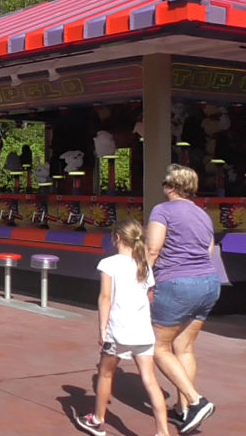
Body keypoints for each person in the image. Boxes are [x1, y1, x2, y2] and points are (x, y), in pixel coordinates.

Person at [75, 219, 169, 436]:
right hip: (143, 331)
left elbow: (105, 297)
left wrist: (102, 328)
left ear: (116, 238)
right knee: (149, 379)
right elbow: (149, 296)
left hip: (119, 330)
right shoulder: (143, 266)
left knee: (105, 373)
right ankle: (162, 431)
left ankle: (98, 420)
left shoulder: (109, 264)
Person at [147, 164, 218, 434]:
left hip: (177, 283)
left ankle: (196, 401)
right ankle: (183, 411)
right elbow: (209, 249)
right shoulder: (203, 215)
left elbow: (153, 249)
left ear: (171, 187)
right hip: (208, 282)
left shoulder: (162, 211)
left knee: (158, 347)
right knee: (184, 348)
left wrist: (140, 280)